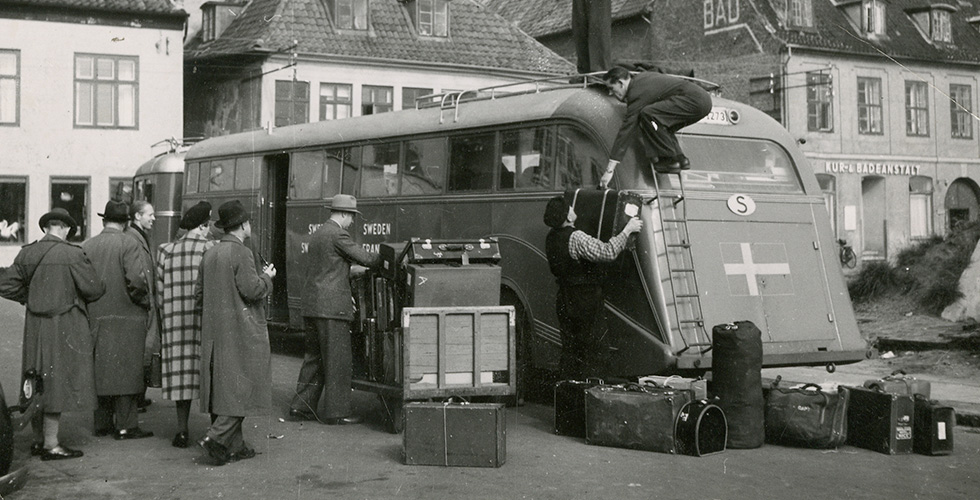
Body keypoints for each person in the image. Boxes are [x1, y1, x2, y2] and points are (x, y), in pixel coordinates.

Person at [0, 209, 105, 460]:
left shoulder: (28, 252)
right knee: (57, 381)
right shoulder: (72, 253)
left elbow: (5, 285)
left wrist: (31, 298)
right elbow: (94, 289)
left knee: (35, 378)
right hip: (65, 323)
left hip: (35, 325)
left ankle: (38, 440)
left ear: (46, 228)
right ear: (66, 229)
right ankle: (51, 443)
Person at [195, 200, 276, 466]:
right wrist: (268, 278)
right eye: (249, 223)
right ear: (243, 226)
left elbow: (199, 296)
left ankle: (236, 446)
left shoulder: (210, 253)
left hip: (215, 334)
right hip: (241, 332)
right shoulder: (242, 253)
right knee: (244, 387)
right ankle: (215, 438)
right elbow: (252, 290)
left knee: (223, 389)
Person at [288, 194, 379, 425]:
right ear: (344, 214)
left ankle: (301, 407)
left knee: (314, 358)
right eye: (352, 217)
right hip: (331, 309)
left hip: (313, 305)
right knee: (338, 361)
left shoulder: (319, 233)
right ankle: (337, 413)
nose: (352, 222)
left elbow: (331, 267)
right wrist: (388, 258)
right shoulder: (338, 233)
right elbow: (366, 258)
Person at [543, 195, 642, 380]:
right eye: (570, 207)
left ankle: (571, 398)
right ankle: (591, 395)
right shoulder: (575, 237)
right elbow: (607, 252)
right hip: (585, 299)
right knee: (594, 350)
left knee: (571, 350)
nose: (573, 209)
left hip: (564, 298)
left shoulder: (551, 237)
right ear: (568, 216)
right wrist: (627, 230)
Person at [83, 200, 155, 440]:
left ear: (104, 221)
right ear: (126, 222)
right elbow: (136, 279)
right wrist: (144, 303)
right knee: (128, 371)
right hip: (128, 314)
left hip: (97, 314)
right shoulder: (129, 243)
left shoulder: (87, 245)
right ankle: (126, 425)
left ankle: (102, 423)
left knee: (101, 369)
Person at [155, 201, 215, 448]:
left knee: (181, 378)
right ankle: (215, 431)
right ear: (203, 226)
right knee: (210, 375)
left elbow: (159, 294)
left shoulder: (165, 251)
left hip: (175, 322)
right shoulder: (212, 249)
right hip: (205, 322)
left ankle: (181, 431)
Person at [600, 66, 713, 187]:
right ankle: (680, 158)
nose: (610, 93)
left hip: (694, 101)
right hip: (703, 101)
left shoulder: (636, 93)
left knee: (648, 115)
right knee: (662, 124)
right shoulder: (641, 79)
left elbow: (626, 130)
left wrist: (609, 169)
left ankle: (668, 160)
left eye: (611, 88)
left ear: (620, 83)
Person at [127, 200, 157, 412]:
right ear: (138, 216)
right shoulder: (134, 238)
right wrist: (147, 300)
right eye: (150, 214)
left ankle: (138, 395)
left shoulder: (138, 235)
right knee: (142, 351)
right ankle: (135, 397)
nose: (153, 218)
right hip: (141, 304)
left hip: (144, 302)